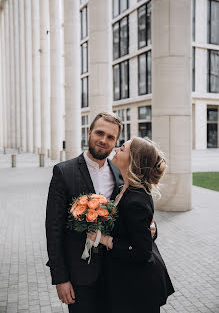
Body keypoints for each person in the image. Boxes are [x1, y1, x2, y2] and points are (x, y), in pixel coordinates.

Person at [46, 112, 157, 313]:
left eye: (111, 137)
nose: (103, 140)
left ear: (116, 142)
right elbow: (53, 229)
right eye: (99, 133)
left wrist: (152, 228)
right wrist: (60, 278)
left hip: (117, 274)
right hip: (80, 276)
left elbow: (134, 216)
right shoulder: (64, 172)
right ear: (89, 133)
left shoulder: (120, 172)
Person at [88, 137, 175, 313]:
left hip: (138, 287)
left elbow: (142, 252)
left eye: (122, 148)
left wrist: (103, 239)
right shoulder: (123, 188)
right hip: (123, 280)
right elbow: (133, 226)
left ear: (132, 159)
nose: (116, 150)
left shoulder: (137, 199)